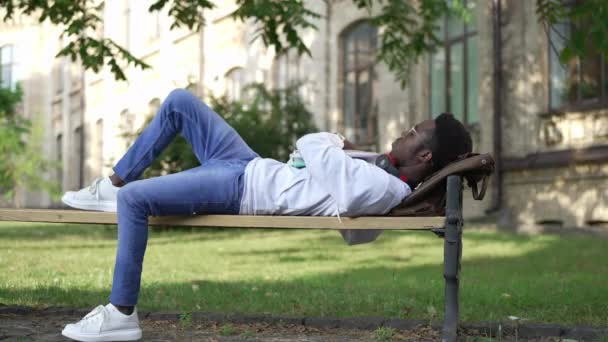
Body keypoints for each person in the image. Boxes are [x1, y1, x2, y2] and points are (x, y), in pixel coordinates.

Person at [60, 88, 472, 341]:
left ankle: (121, 314)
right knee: (179, 102)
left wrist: (330, 141)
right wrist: (328, 155)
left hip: (241, 188)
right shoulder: (379, 170)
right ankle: (112, 182)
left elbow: (310, 145)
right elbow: (312, 161)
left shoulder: (383, 186)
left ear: (424, 154)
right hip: (247, 163)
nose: (404, 132)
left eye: (413, 132)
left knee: (135, 201)